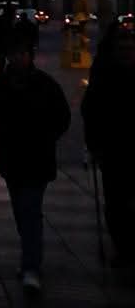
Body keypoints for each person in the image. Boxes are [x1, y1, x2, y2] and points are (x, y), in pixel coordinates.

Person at [0, 27, 71, 294]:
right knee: (22, 212)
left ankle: (31, 266)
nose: (18, 58)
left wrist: (46, 136)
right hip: (12, 159)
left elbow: (62, 116)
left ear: (29, 55)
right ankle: (30, 259)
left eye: (22, 54)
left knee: (30, 211)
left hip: (37, 158)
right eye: (14, 54)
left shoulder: (45, 84)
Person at [82, 21, 135, 281]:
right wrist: (93, 144)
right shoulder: (104, 73)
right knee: (116, 203)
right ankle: (123, 248)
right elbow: (91, 109)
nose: (127, 51)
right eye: (123, 46)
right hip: (114, 148)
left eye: (130, 46)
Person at [0, 5, 16, 73]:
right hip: (6, 42)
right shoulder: (10, 23)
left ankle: (1, 68)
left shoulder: (0, 22)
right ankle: (3, 68)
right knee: (6, 55)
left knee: (0, 56)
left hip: (1, 42)